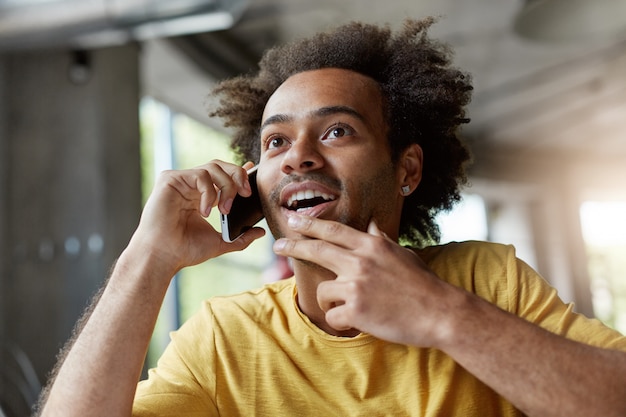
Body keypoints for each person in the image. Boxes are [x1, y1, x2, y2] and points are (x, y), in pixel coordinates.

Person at [36, 17, 626, 417]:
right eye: (274, 143)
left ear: (408, 170)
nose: (298, 156)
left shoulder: (485, 282)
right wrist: (147, 259)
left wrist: (442, 316)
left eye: (337, 130)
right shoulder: (224, 339)